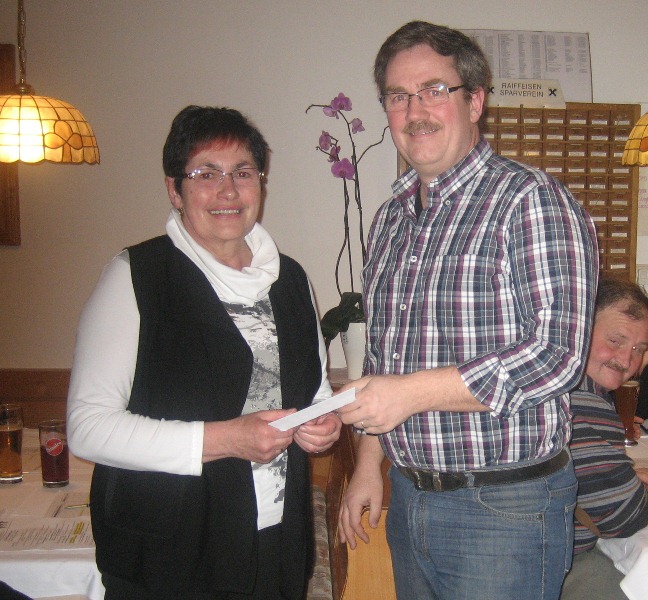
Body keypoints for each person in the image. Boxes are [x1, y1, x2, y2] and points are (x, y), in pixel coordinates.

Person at [336, 21, 598, 600]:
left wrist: (411, 394)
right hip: (409, 495)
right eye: (398, 96)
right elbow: (383, 359)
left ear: (475, 101)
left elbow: (556, 356)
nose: (415, 111)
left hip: (504, 509)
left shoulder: (531, 200)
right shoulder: (390, 218)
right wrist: (367, 465)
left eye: (434, 90)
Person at [67, 106, 341, 600]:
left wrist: (322, 425)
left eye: (243, 173)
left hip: (275, 541)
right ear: (174, 190)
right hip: (171, 556)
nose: (228, 190)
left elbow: (314, 392)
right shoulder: (136, 276)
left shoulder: (292, 280)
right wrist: (225, 440)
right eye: (206, 174)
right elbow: (88, 428)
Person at [560, 278, 648, 600]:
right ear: (580, 331)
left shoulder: (582, 389)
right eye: (615, 340)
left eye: (639, 349)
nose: (626, 360)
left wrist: (626, 481)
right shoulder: (580, 397)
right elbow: (624, 515)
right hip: (556, 561)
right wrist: (632, 487)